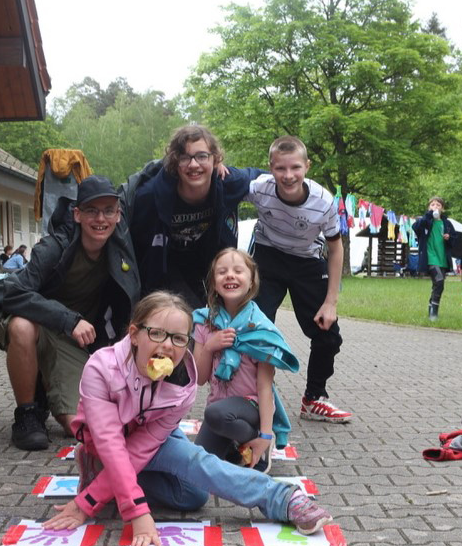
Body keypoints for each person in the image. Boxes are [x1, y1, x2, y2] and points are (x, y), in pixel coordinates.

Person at [41, 291, 333, 546]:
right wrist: (134, 511)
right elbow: (111, 443)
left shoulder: (183, 386)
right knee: (197, 462)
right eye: (157, 334)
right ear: (134, 334)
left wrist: (93, 495)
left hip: (147, 439)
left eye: (179, 339)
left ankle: (100, 473)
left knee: (192, 497)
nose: (168, 345)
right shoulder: (101, 368)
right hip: (107, 443)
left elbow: (139, 450)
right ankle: (283, 499)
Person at [0, 175, 139, 451]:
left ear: (118, 215)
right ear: (77, 214)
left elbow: (140, 182)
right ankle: (27, 415)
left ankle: (44, 390)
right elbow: (15, 292)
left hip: (73, 341)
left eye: (108, 210)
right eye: (91, 210)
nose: (101, 218)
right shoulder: (54, 246)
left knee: (79, 427)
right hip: (41, 326)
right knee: (21, 326)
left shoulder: (121, 249)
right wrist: (69, 319)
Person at [244, 135, 351, 423]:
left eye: (295, 168)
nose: (288, 175)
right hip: (268, 256)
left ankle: (314, 399)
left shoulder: (323, 201)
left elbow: (336, 247)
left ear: (307, 166)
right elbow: (225, 187)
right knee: (254, 327)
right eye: (280, 168)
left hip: (306, 261)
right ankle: (252, 395)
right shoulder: (259, 188)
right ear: (270, 167)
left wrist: (331, 302)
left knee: (327, 333)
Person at [122, 125, 263, 308]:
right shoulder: (151, 196)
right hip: (167, 264)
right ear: (175, 162)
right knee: (189, 312)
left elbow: (272, 179)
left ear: (215, 159)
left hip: (207, 262)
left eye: (202, 156)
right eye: (184, 158)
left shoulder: (227, 182)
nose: (194, 165)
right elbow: (132, 240)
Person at [192, 248, 299, 473]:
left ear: (251, 282)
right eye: (222, 272)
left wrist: (266, 434)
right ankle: (234, 448)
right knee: (197, 469)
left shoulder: (261, 330)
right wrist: (210, 346)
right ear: (213, 283)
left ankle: (257, 442)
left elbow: (265, 387)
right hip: (219, 408)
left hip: (251, 407)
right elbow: (199, 378)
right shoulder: (204, 321)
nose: (230, 275)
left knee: (216, 414)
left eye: (238, 271)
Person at [413, 197, 456, 322]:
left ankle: (431, 310)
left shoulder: (447, 223)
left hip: (442, 258)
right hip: (430, 257)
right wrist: (429, 215)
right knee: (439, 281)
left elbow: (455, 239)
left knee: (438, 285)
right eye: (432, 204)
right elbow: (416, 227)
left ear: (443, 208)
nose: (435, 207)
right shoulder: (425, 221)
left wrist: (449, 237)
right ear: (429, 207)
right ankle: (433, 314)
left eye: (438, 205)